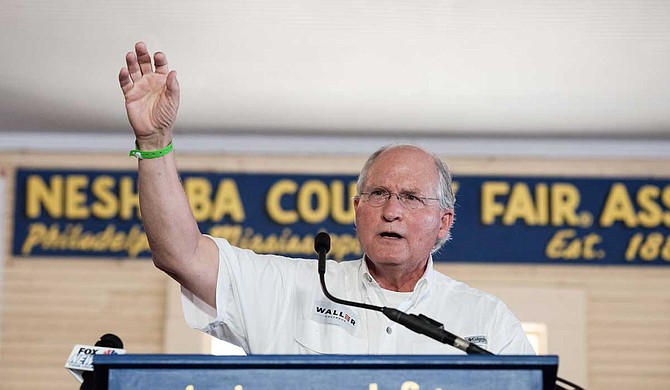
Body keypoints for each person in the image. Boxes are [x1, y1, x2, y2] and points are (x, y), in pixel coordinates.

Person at [119, 42, 535, 355]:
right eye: (378, 194)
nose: (391, 211)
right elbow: (181, 255)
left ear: (443, 221)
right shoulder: (291, 290)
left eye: (410, 198)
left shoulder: (488, 322)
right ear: (357, 210)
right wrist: (154, 144)